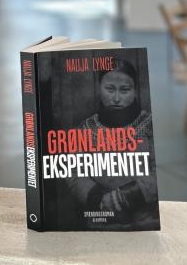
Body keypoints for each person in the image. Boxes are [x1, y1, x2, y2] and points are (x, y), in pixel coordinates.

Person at [66, 59, 158, 230]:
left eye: (124, 90)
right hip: (100, 222)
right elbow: (73, 172)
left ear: (135, 91)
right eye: (109, 89)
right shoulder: (85, 129)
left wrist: (126, 196)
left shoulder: (150, 125)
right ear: (99, 88)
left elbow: (159, 172)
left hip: (146, 220)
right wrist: (99, 200)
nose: (116, 98)